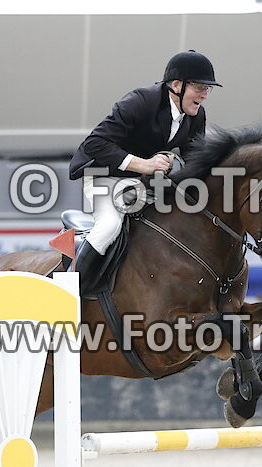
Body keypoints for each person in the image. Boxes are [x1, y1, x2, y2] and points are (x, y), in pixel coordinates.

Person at [67, 50, 221, 288]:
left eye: (207, 89)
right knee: (110, 226)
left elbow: (195, 163)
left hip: (140, 185)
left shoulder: (195, 115)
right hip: (103, 175)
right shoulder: (140, 101)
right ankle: (67, 289)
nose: (204, 96)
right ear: (177, 85)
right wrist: (145, 164)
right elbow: (94, 144)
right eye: (200, 88)